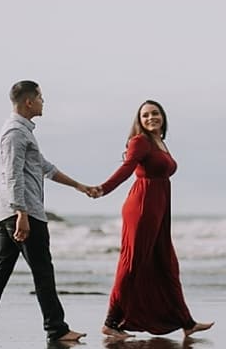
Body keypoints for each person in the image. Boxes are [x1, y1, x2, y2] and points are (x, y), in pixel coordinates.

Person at [0, 80, 99, 346]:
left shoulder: (23, 131)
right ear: (29, 101)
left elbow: (44, 166)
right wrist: (21, 212)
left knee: (1, 270)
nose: (44, 102)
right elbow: (11, 175)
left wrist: (79, 186)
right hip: (22, 212)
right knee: (42, 270)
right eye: (41, 98)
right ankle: (57, 329)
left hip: (10, 212)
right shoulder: (15, 132)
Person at [91, 100, 213, 336]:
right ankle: (110, 322)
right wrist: (103, 188)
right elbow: (127, 168)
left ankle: (186, 322)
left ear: (163, 117)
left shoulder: (160, 142)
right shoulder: (140, 142)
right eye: (145, 115)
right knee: (132, 263)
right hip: (143, 207)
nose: (150, 118)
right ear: (139, 120)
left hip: (159, 207)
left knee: (167, 263)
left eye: (155, 114)